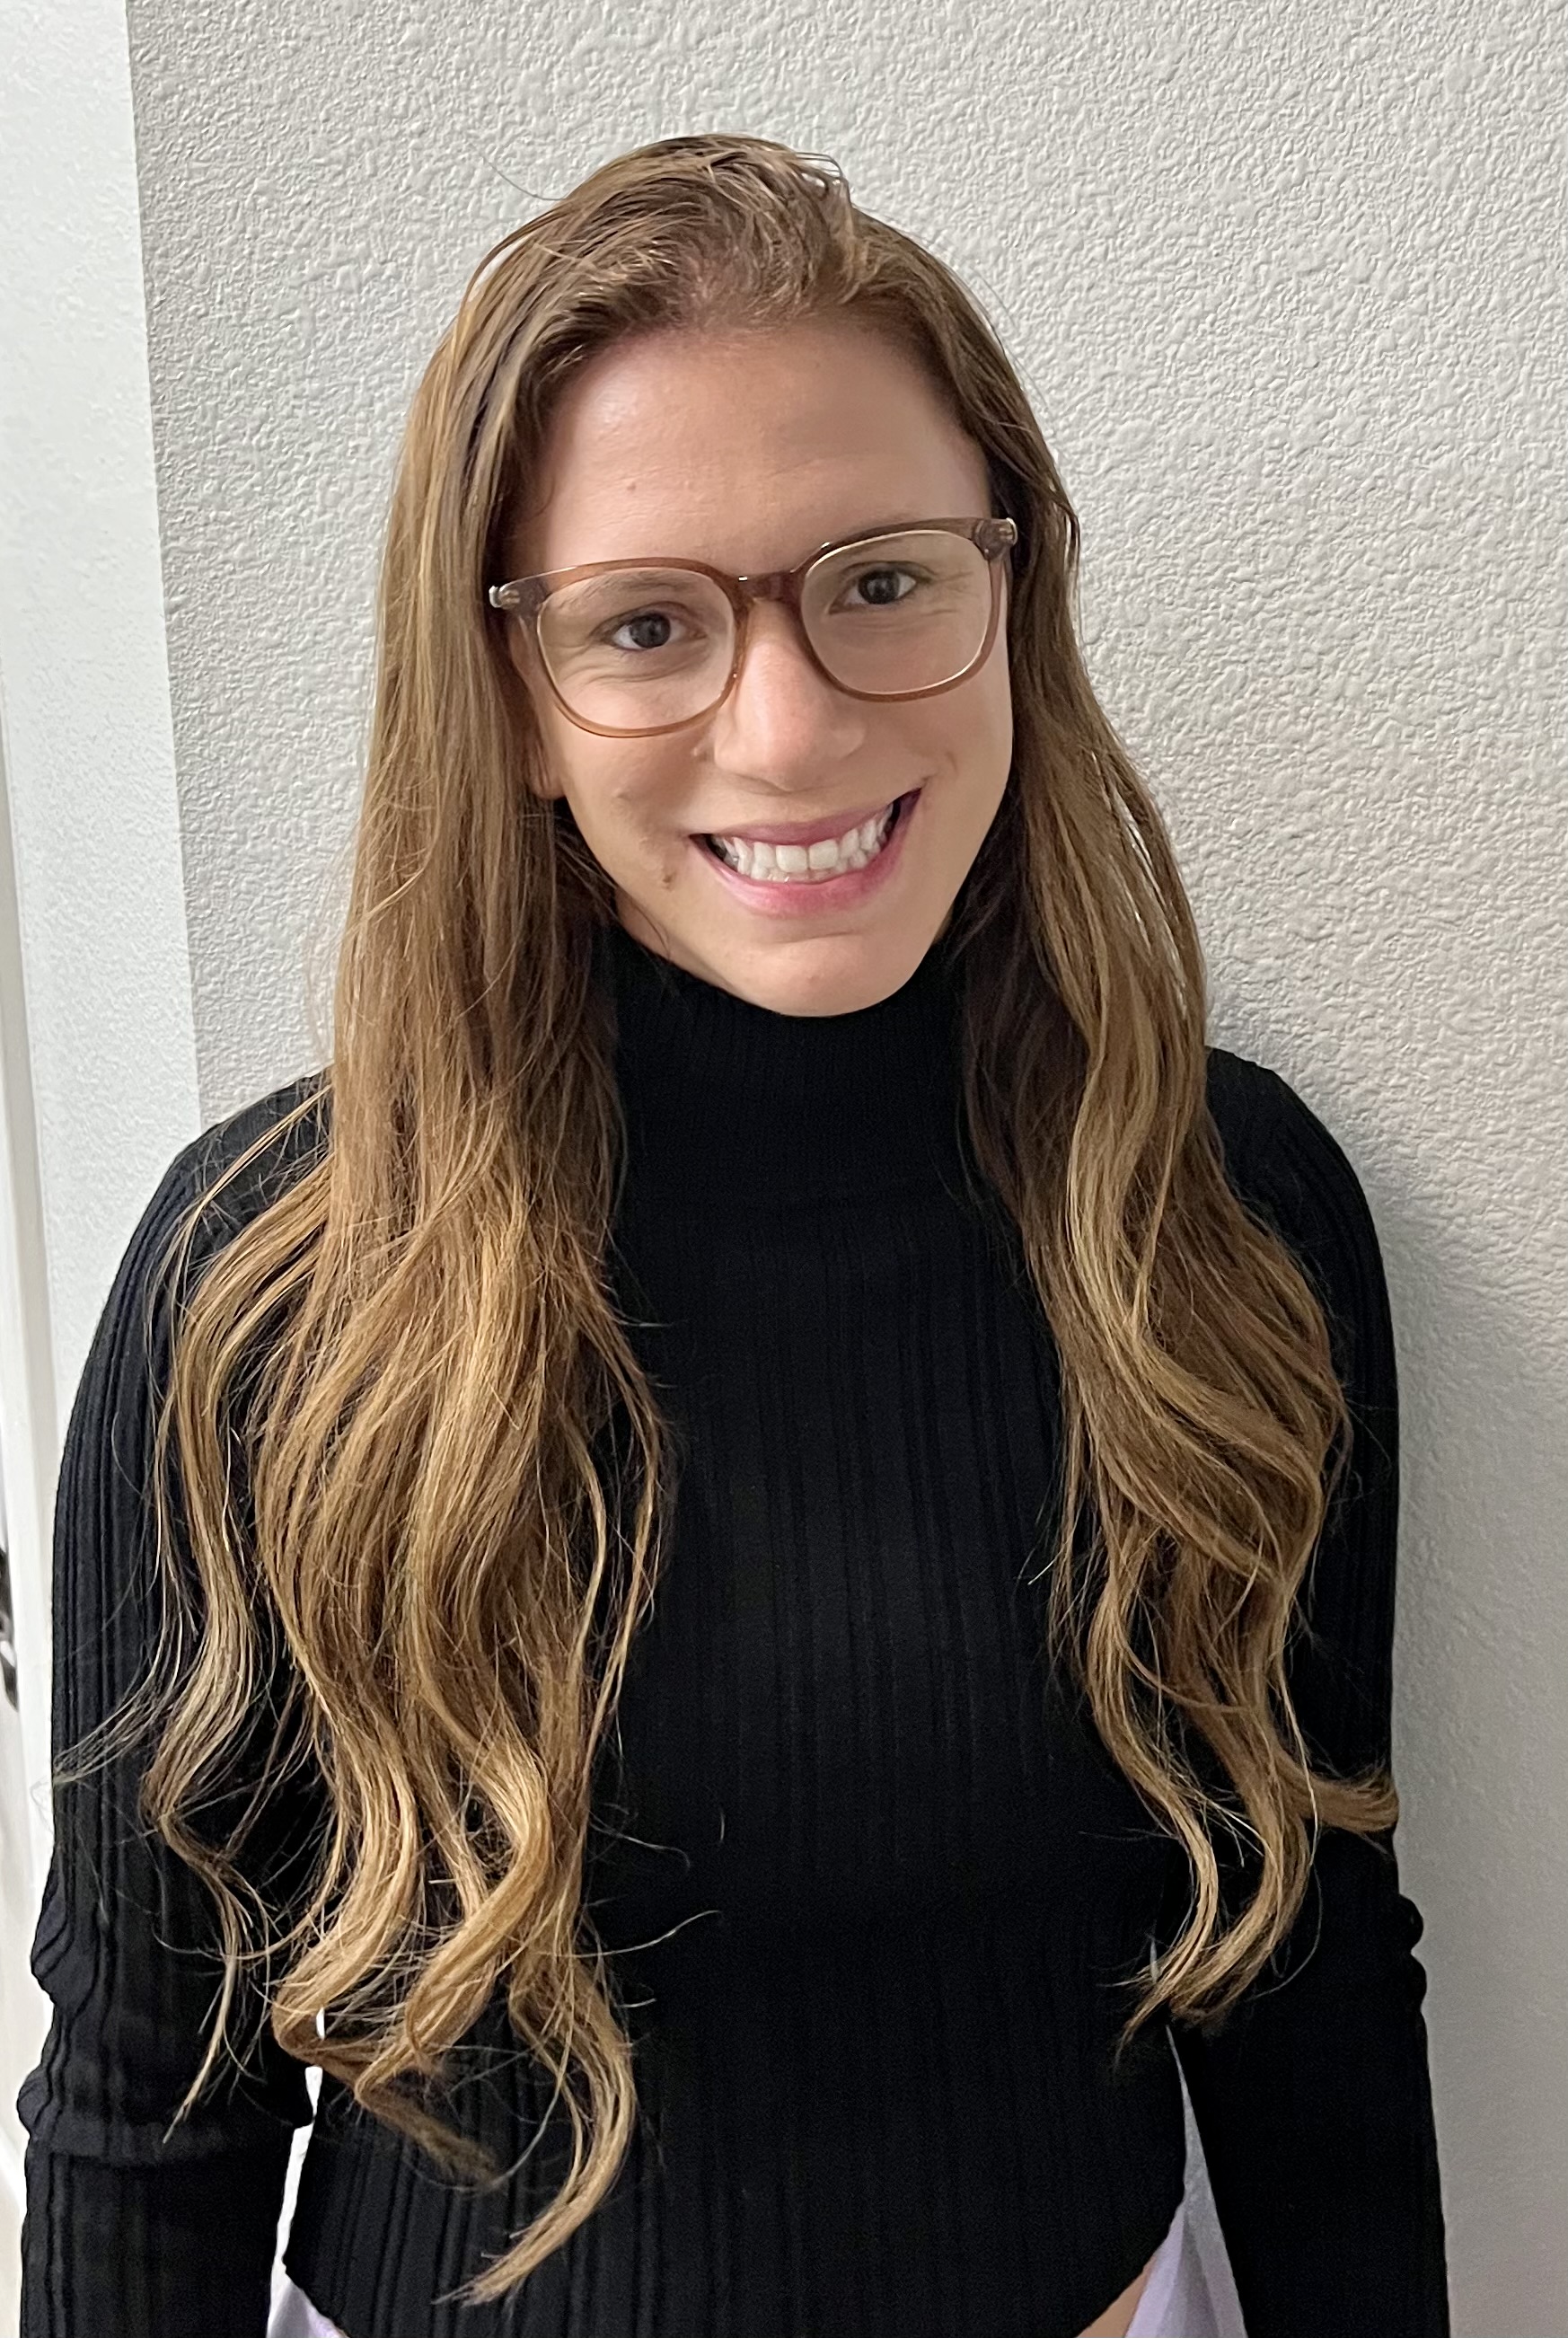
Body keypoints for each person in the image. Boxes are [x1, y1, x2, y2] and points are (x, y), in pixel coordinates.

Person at [17, 132, 1448, 2338]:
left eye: (882, 580)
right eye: (646, 625)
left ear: (1013, 592)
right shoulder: (271, 1291)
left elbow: (1316, 1973)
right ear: (506, 690)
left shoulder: (1223, 1221)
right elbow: (145, 2110)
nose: (787, 728)